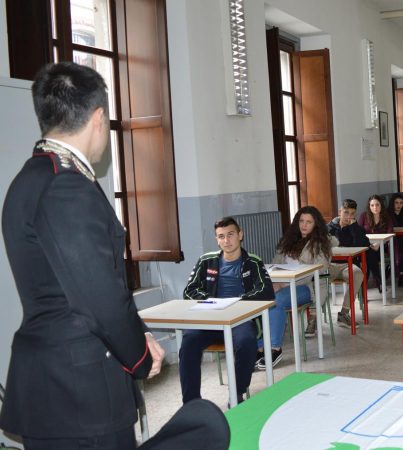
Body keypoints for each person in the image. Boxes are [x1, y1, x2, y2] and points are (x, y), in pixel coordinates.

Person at [0, 62, 171, 449]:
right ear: (98, 117)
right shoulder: (67, 188)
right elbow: (100, 298)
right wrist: (140, 355)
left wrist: (139, 332)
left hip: (52, 384)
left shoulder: (28, 180)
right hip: (81, 389)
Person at [180, 217, 274, 403]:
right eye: (221, 236)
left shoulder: (253, 261)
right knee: (189, 341)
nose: (226, 241)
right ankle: (191, 402)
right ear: (216, 239)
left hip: (240, 319)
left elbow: (266, 291)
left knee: (247, 341)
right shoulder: (206, 261)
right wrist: (210, 302)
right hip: (211, 319)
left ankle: (237, 392)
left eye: (230, 235)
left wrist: (238, 302)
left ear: (240, 235)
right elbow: (189, 290)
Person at [269, 206, 334, 365]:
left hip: (307, 288)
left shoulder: (320, 244)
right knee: (263, 299)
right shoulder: (288, 240)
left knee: (276, 301)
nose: (304, 225)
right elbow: (275, 263)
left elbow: (312, 273)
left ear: (315, 225)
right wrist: (274, 281)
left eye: (309, 222)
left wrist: (283, 284)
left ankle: (274, 349)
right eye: (302, 221)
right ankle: (259, 348)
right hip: (283, 284)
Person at [326, 199, 369, 330]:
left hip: (347, 265)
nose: (348, 217)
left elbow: (364, 244)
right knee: (316, 276)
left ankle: (344, 313)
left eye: (352, 214)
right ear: (340, 212)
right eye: (346, 213)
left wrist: (354, 228)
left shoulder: (356, 228)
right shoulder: (328, 228)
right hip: (330, 265)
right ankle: (313, 317)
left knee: (357, 274)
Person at [358, 194, 394, 289]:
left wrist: (379, 244)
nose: (375, 207)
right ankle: (378, 280)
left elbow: (390, 233)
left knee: (370, 256)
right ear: (369, 207)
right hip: (367, 247)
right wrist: (370, 244)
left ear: (381, 205)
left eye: (377, 205)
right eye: (372, 205)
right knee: (370, 254)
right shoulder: (363, 216)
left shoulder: (387, 217)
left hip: (382, 247)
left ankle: (364, 285)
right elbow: (359, 233)